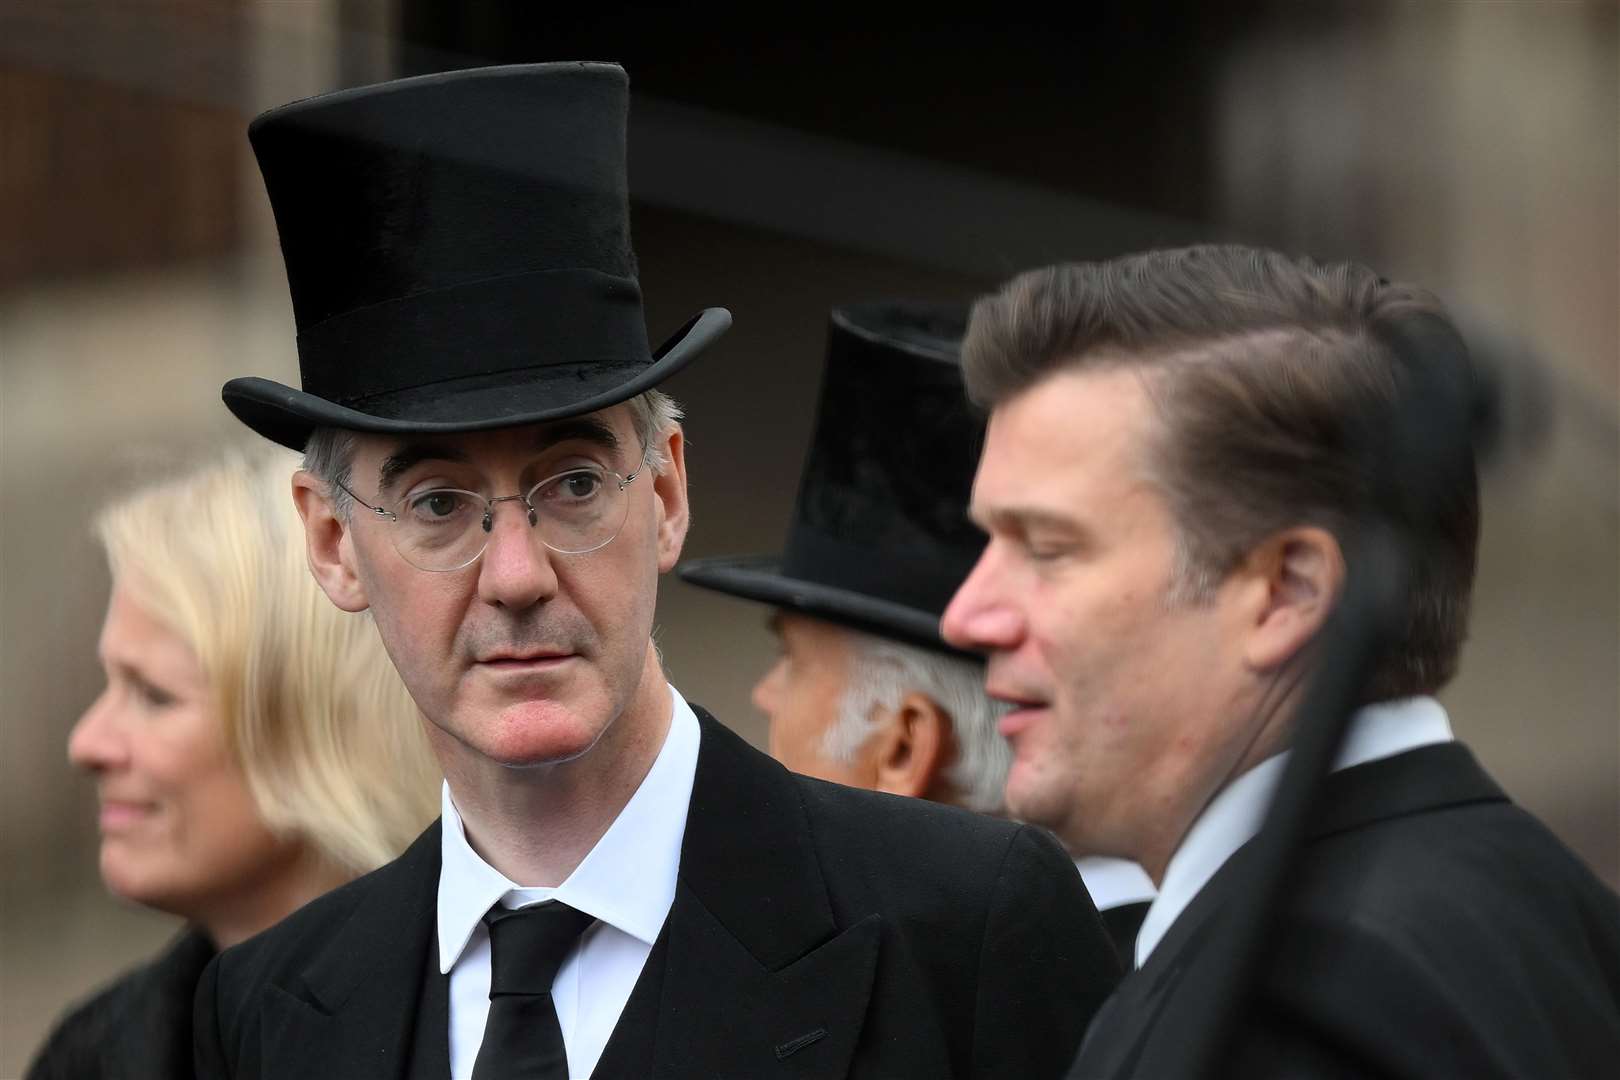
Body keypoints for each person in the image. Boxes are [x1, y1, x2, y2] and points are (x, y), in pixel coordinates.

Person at [194, 63, 1119, 1080]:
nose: (516, 574)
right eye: (439, 504)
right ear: (332, 544)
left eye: (575, 484)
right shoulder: (269, 1014)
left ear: (667, 494)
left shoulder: (961, 933)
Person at [940, 244, 1620, 1077]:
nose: (966, 616)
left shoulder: (1296, 1002)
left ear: (1285, 592)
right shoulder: (1544, 908)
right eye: (988, 543)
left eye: (1047, 547)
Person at [679, 302, 1155, 961]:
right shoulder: (1157, 966)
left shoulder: (959, 1002)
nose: (765, 694)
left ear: (905, 745)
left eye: (790, 658)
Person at [25, 443, 439, 1080]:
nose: (88, 743)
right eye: (109, 685)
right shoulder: (98, 1057)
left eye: (154, 696)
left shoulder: (503, 1020)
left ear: (316, 721)